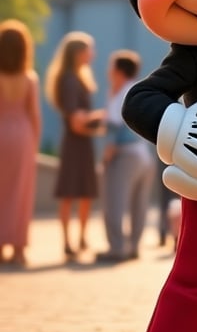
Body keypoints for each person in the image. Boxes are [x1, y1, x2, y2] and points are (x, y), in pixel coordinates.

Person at [44, 31, 104, 259]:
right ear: (79, 53)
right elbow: (75, 120)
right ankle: (71, 241)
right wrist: (100, 117)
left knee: (82, 192)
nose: (93, 54)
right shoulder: (71, 79)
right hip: (75, 143)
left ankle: (77, 239)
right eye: (89, 49)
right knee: (72, 193)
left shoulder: (77, 77)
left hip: (80, 142)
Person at [97, 51, 156, 263]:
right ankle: (133, 246)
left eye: (111, 67)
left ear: (118, 70)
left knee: (114, 201)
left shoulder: (119, 92)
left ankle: (117, 248)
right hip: (144, 155)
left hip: (124, 155)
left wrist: (106, 156)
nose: (108, 71)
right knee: (139, 204)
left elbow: (113, 126)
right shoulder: (140, 88)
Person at [0, 19, 41, 265]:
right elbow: (34, 115)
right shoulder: (29, 79)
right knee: (21, 193)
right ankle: (18, 248)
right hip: (22, 137)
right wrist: (33, 145)